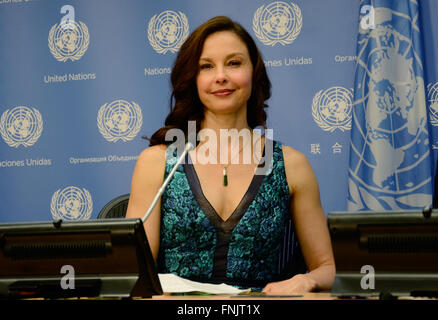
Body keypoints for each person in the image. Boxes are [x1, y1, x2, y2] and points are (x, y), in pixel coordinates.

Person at [126, 16, 335, 295]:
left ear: (254, 73)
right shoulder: (156, 161)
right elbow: (133, 273)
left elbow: (327, 267)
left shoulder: (292, 164)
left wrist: (307, 280)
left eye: (234, 63)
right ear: (193, 78)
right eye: (206, 66)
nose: (221, 76)